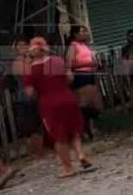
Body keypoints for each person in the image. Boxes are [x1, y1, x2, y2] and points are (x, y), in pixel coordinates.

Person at [23, 36, 91, 178]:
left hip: (49, 105)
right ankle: (80, 154)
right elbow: (70, 78)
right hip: (67, 98)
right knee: (74, 130)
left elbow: (30, 93)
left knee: (59, 137)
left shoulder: (30, 70)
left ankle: (68, 168)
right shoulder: (58, 61)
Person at [9, 38, 44, 159]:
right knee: (30, 127)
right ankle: (33, 153)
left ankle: (40, 151)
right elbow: (26, 73)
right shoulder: (17, 62)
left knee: (38, 124)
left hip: (36, 94)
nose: (23, 47)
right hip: (23, 96)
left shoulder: (31, 59)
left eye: (25, 44)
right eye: (20, 45)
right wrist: (30, 60)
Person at [65, 25, 101, 141]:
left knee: (93, 104)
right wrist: (87, 65)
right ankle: (84, 130)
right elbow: (70, 64)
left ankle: (91, 128)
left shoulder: (86, 46)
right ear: (75, 34)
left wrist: (94, 64)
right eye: (82, 31)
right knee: (83, 105)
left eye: (85, 31)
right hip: (80, 76)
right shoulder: (73, 46)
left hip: (90, 74)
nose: (85, 33)